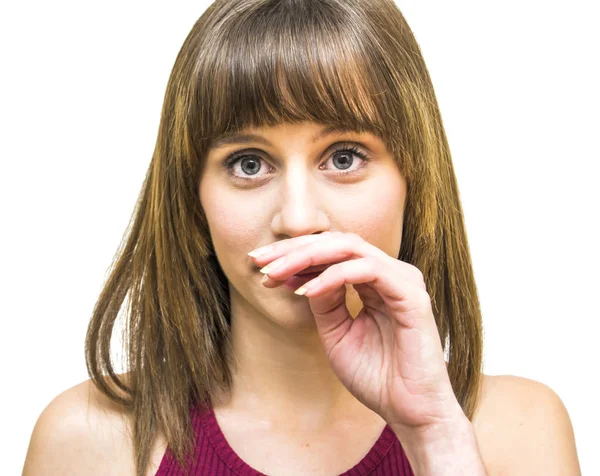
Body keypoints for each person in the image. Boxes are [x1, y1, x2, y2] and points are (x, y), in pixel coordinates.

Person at [23, 0, 581, 475]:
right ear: (192, 199)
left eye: (344, 157)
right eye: (247, 164)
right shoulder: (86, 440)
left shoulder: (521, 434)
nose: (297, 218)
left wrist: (437, 440)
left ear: (415, 177)